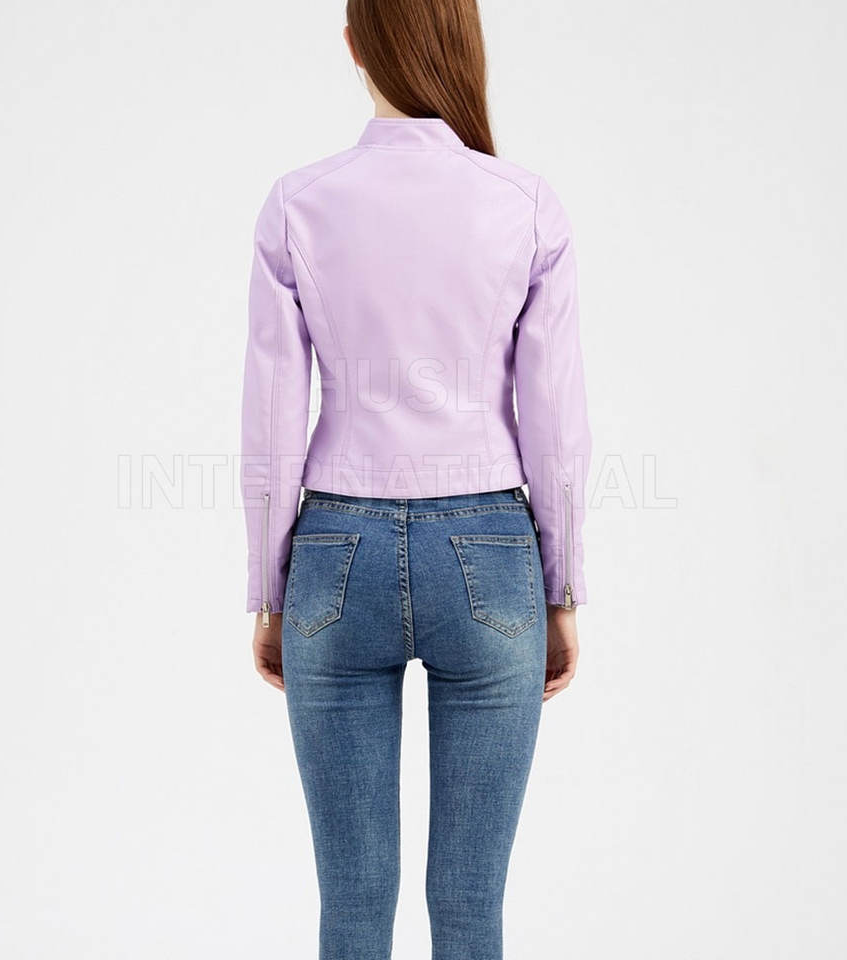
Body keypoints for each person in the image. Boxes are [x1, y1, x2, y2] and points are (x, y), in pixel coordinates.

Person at [239, 1, 591, 956]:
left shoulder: (298, 204)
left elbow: (271, 424)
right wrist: (561, 589)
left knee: (352, 905)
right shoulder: (524, 204)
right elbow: (556, 427)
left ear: (354, 44)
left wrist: (270, 591)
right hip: (491, 554)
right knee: (472, 907)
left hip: (335, 555)